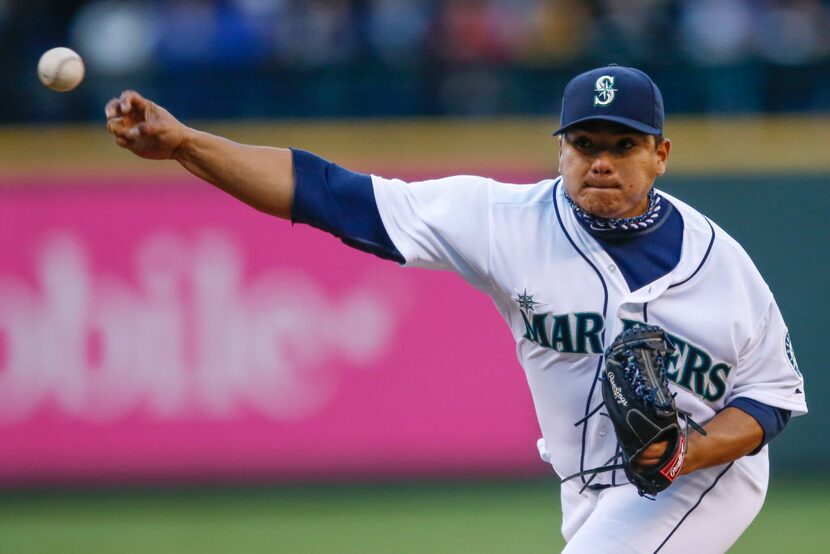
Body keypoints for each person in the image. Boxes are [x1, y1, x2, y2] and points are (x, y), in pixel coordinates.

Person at [105, 65, 807, 553]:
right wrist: (187, 144)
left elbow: (772, 399)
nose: (601, 160)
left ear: (660, 155)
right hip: (589, 486)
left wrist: (686, 452)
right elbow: (326, 192)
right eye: (584, 143)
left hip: (703, 479)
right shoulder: (502, 219)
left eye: (623, 145)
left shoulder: (720, 266)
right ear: (559, 149)